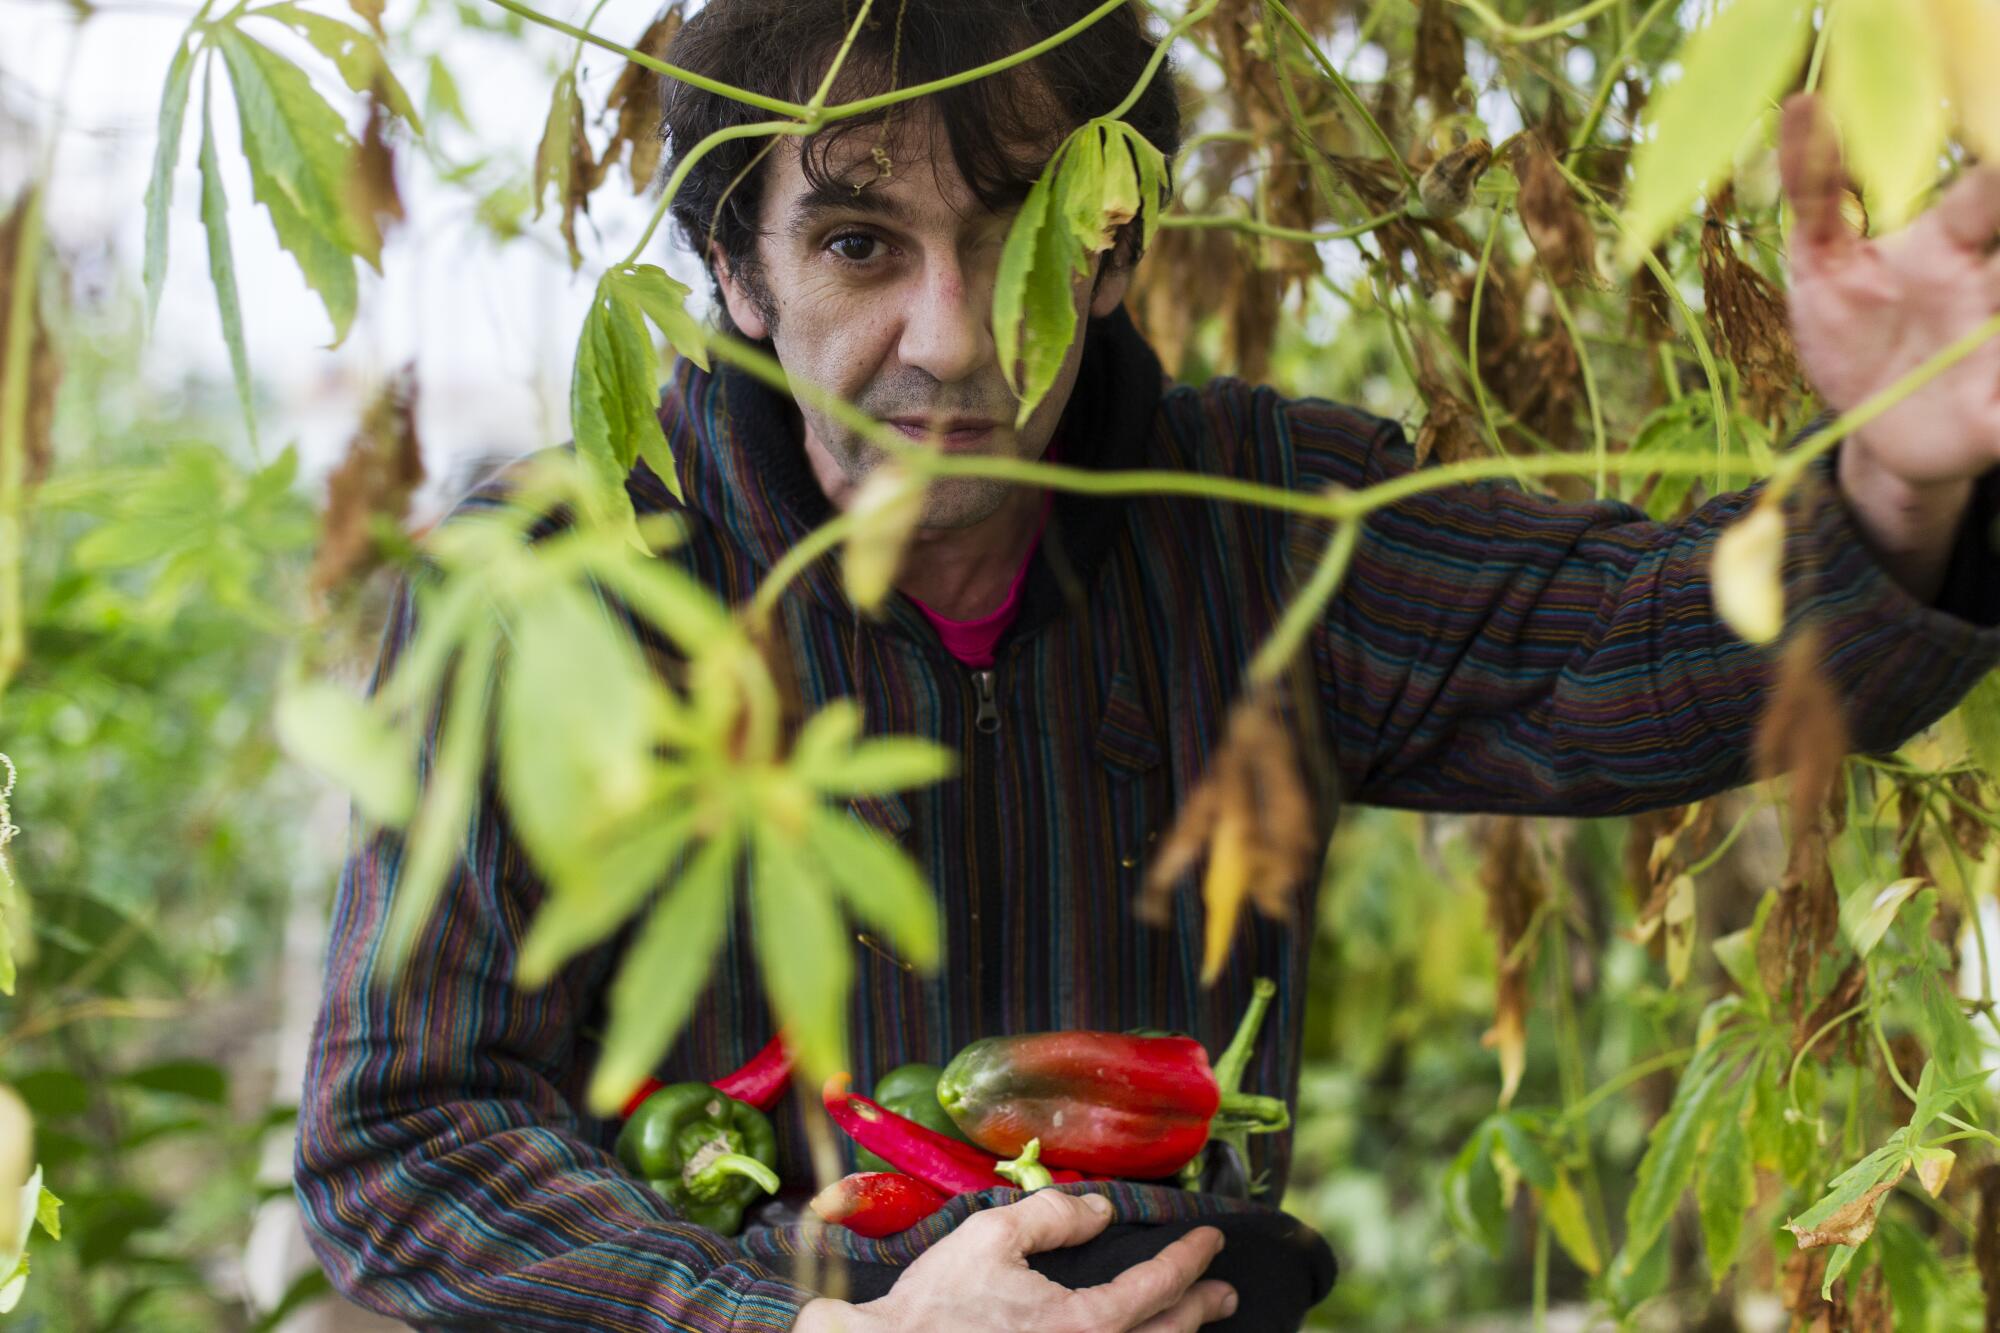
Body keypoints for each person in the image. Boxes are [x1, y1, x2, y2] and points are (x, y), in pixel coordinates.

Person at [294, 1, 2000, 1329]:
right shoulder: (556, 588)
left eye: (1022, 226)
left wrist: (1898, 480)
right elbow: (401, 1135)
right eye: (860, 243)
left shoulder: (1266, 525)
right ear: (735, 268)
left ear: (1111, 241)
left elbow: (1642, 653)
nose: (955, 338)